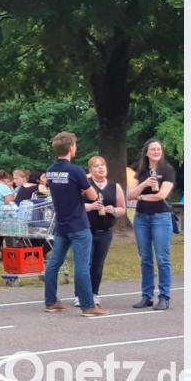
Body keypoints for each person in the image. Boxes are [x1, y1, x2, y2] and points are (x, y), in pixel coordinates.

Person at [43, 131, 106, 317]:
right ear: (71, 148)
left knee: (54, 262)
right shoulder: (76, 171)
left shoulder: (51, 170)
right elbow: (93, 196)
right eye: (75, 145)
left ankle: (51, 301)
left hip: (61, 223)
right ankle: (88, 305)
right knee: (82, 265)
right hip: (78, 223)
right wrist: (82, 189)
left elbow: (59, 191)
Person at [127, 139, 176, 311]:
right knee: (145, 259)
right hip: (142, 218)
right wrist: (144, 184)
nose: (156, 151)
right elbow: (130, 195)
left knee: (162, 258)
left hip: (160, 217)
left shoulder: (167, 170)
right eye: (152, 149)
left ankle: (164, 296)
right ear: (146, 152)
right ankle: (146, 296)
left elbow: (162, 195)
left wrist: (142, 197)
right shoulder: (140, 172)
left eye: (158, 149)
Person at [72, 156, 126, 308]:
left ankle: (94, 293)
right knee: (84, 263)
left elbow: (122, 208)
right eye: (96, 166)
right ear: (90, 170)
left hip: (105, 230)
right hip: (86, 229)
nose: (100, 168)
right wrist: (91, 207)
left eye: (102, 165)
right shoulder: (85, 186)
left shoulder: (114, 186)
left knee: (98, 263)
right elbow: (75, 206)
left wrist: (113, 210)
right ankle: (80, 294)